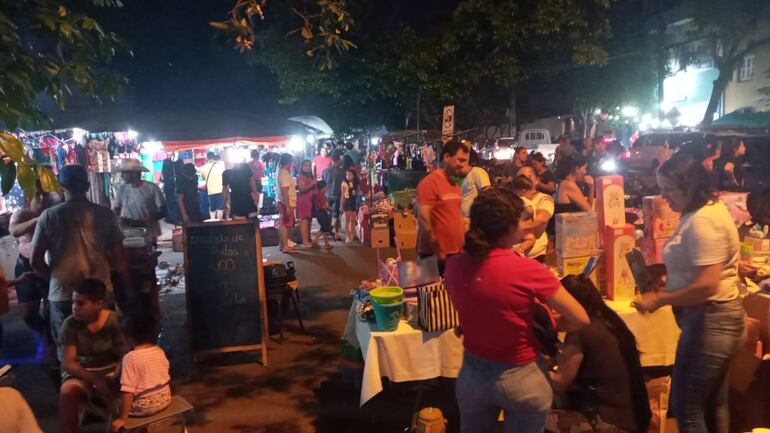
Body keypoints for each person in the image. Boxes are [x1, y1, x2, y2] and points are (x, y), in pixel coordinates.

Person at [444, 188, 590, 433]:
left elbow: (475, 306)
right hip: (523, 376)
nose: (527, 225)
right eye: (522, 220)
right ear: (509, 227)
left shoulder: (454, 265)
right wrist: (551, 325)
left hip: (473, 375)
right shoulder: (527, 270)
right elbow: (580, 318)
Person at [635, 153, 745, 433]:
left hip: (710, 321)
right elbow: (701, 267)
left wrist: (659, 299)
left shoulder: (703, 221)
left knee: (687, 405)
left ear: (691, 185)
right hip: (716, 319)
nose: (664, 197)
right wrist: (666, 272)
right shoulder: (702, 212)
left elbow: (707, 285)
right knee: (713, 404)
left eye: (669, 190)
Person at [32, 164, 131, 362]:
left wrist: (53, 277)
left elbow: (36, 260)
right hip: (99, 293)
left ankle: (74, 388)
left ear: (61, 186)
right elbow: (119, 258)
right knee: (108, 350)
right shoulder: (105, 215)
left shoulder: (49, 216)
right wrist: (128, 289)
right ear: (87, 185)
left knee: (68, 355)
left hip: (62, 293)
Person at [551, 275, 651, 433]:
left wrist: (534, 365)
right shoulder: (609, 320)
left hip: (611, 423)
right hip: (637, 419)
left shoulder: (579, 331)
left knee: (534, 416)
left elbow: (560, 382)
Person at [59, 279, 125, 433]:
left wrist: (118, 373)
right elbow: (68, 363)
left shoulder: (114, 321)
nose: (74, 308)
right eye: (73, 303)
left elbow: (124, 353)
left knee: (127, 392)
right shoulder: (70, 325)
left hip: (112, 371)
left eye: (81, 303)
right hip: (83, 373)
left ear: (99, 304)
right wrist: (95, 379)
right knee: (67, 392)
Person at [111, 312, 171, 432]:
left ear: (129, 338)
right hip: (165, 400)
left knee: (114, 403)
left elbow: (128, 391)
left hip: (144, 408)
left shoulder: (130, 358)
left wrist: (123, 418)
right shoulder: (159, 351)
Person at [416, 140, 469, 274]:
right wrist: (438, 251)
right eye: (460, 160)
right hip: (434, 255)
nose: (463, 165)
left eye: (465, 161)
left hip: (455, 253)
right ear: (446, 157)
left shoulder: (455, 186)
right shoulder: (429, 183)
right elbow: (424, 221)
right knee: (434, 293)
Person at [9, 182, 51, 337]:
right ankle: (46, 334)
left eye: (44, 194)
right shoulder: (22, 214)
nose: (41, 198)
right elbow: (14, 230)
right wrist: (37, 220)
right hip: (26, 265)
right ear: (28, 197)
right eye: (37, 194)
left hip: (47, 263)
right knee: (28, 314)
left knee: (50, 309)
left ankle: (52, 346)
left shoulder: (52, 213)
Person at [113, 158, 167, 242]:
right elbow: (117, 208)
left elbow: (163, 210)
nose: (122, 176)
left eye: (125, 173)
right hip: (129, 231)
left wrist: (148, 219)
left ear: (134, 173)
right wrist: (118, 219)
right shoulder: (122, 189)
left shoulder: (151, 188)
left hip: (149, 232)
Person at [547, 155, 594, 237]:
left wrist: (591, 188)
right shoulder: (569, 185)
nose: (585, 172)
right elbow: (589, 211)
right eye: (584, 168)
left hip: (569, 232)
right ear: (576, 169)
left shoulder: (566, 183)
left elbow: (587, 207)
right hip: (568, 235)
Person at [517, 166, 554, 263]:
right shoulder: (511, 196)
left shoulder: (544, 198)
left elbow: (541, 219)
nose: (523, 181)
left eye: (528, 177)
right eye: (520, 177)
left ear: (536, 180)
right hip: (509, 255)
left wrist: (515, 226)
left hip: (534, 256)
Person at [461, 150, 491, 230]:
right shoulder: (455, 176)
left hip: (473, 221)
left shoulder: (477, 172)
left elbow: (488, 195)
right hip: (460, 220)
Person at [276, 153, 298, 254]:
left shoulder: (281, 172)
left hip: (283, 202)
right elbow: (285, 191)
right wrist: (288, 206)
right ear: (289, 162)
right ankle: (285, 246)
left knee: (283, 223)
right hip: (286, 202)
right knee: (285, 224)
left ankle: (283, 244)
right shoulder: (284, 173)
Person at [322, 153, 345, 241]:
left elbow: (323, 184)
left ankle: (327, 233)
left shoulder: (325, 171)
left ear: (332, 160)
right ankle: (335, 233)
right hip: (337, 194)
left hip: (327, 194)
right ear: (339, 160)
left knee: (328, 214)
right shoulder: (342, 172)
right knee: (336, 214)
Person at [296, 160, 317, 247]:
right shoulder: (301, 177)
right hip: (304, 200)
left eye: (309, 165)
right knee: (304, 221)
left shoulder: (310, 176)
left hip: (310, 201)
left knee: (309, 221)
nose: (308, 167)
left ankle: (308, 239)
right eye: (306, 165)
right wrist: (313, 184)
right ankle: (305, 241)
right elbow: (302, 189)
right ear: (302, 167)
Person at [201, 151, 226, 219]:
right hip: (220, 190)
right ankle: (219, 222)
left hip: (210, 191)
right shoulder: (220, 167)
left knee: (212, 208)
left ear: (207, 158)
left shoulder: (203, 168)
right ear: (214, 157)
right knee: (220, 208)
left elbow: (203, 178)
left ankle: (213, 221)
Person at [312, 181, 334, 250]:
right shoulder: (322, 196)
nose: (327, 189)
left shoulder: (316, 195)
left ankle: (326, 244)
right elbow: (324, 206)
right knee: (324, 228)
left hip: (318, 213)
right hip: (323, 213)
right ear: (323, 188)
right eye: (326, 187)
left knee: (325, 229)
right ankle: (315, 240)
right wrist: (331, 209)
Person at [340, 168, 359, 243]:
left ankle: (352, 234)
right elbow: (342, 195)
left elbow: (359, 192)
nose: (347, 176)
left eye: (349, 174)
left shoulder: (356, 182)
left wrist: (356, 193)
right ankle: (347, 236)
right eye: (347, 174)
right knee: (347, 220)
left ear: (353, 176)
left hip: (354, 201)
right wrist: (341, 206)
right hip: (347, 202)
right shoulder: (344, 183)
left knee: (353, 219)